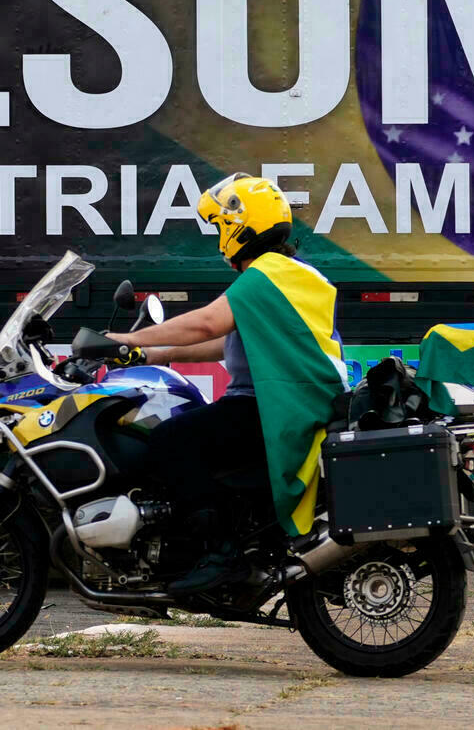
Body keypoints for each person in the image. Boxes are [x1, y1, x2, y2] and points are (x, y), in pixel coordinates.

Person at [106, 175, 348, 595]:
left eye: (221, 226)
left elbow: (205, 323)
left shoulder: (266, 274)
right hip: (291, 403)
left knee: (169, 441)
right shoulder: (286, 274)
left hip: (273, 408)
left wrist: (128, 339)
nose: (220, 236)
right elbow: (223, 343)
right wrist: (147, 355)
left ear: (242, 225)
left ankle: (220, 555)